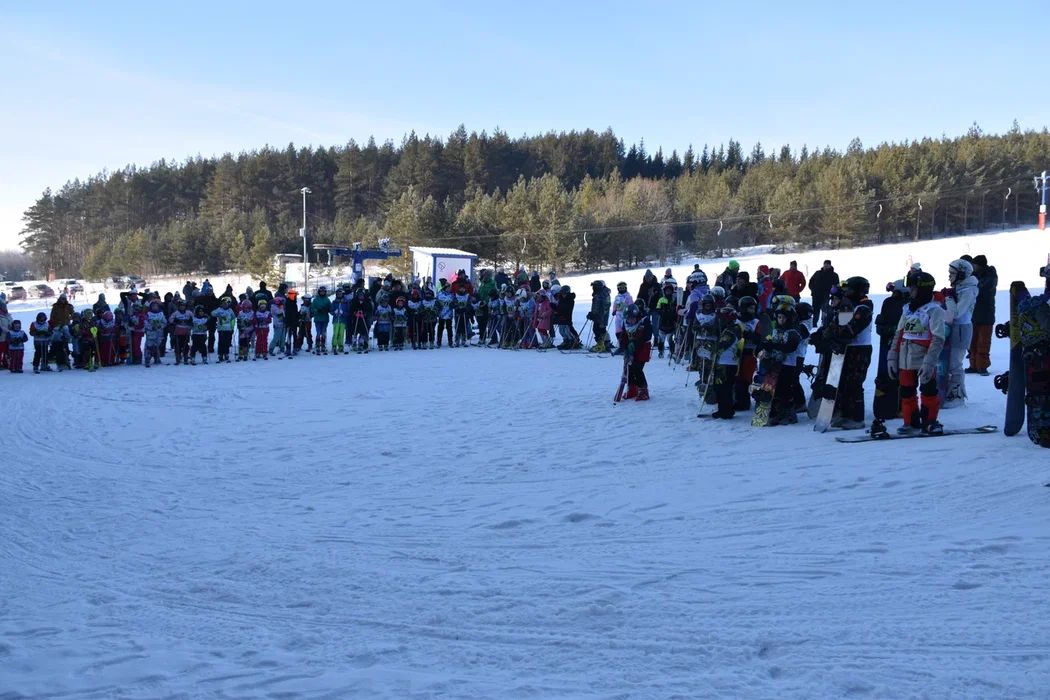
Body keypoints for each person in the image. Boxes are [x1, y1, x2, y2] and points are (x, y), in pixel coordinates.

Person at [887, 271, 945, 435]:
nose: (910, 292)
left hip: (923, 358)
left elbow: (938, 338)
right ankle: (910, 421)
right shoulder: (907, 309)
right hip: (905, 358)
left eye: (912, 289)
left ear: (922, 290)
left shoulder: (934, 310)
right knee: (906, 391)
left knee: (928, 390)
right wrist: (892, 356)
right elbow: (899, 333)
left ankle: (930, 422)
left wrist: (929, 362)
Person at [944, 258, 977, 407]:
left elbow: (957, 313)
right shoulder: (961, 288)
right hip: (955, 329)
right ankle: (949, 392)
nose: (949, 276)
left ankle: (957, 396)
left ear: (962, 274)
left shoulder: (968, 290)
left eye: (952, 273)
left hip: (962, 330)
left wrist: (949, 298)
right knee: (949, 362)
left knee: (954, 364)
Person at [967, 254, 997, 375]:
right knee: (972, 341)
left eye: (974, 265)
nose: (972, 267)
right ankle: (973, 365)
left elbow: (980, 289)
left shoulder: (990, 276)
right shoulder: (974, 275)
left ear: (980, 265)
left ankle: (982, 366)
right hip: (974, 314)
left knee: (983, 342)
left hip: (986, 315)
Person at [621, 304, 653, 401]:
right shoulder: (625, 323)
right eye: (628, 318)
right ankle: (632, 389)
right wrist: (625, 346)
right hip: (631, 348)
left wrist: (635, 344)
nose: (630, 321)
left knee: (636, 368)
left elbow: (646, 336)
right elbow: (624, 336)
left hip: (643, 348)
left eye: (632, 318)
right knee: (628, 368)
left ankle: (643, 390)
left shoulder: (644, 321)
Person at [808, 260, 839, 327]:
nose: (826, 266)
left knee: (825, 310)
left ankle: (824, 324)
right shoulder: (817, 273)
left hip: (826, 296)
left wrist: (833, 294)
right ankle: (814, 325)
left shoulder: (834, 275)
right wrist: (813, 290)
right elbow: (811, 282)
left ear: (830, 265)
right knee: (815, 310)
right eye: (825, 265)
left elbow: (836, 286)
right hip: (816, 295)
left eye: (827, 265)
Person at [611, 282, 633, 355]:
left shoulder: (628, 297)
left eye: (624, 287)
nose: (622, 289)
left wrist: (630, 313)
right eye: (621, 288)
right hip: (618, 316)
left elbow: (631, 305)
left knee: (625, 331)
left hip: (625, 316)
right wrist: (614, 310)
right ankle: (621, 346)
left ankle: (626, 347)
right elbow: (615, 304)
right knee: (618, 332)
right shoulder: (617, 297)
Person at [311, 287, 332, 355]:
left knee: (323, 332)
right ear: (319, 292)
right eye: (321, 291)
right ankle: (317, 344)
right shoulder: (316, 300)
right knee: (318, 332)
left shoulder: (327, 299)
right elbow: (312, 309)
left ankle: (323, 345)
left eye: (323, 291)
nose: (322, 293)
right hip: (318, 319)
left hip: (325, 318)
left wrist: (327, 309)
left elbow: (330, 308)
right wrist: (318, 310)